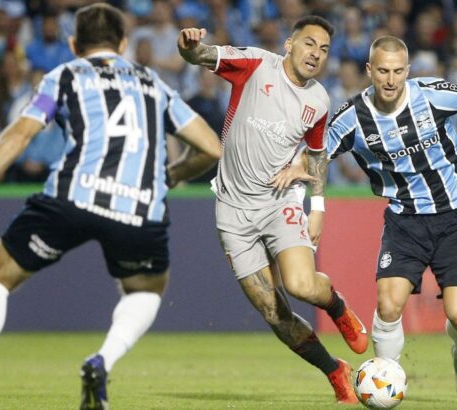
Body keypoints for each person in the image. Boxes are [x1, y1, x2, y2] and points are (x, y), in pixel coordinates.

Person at [0, 4, 221, 410]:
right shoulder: (155, 84)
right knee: (147, 290)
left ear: (74, 44)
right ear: (124, 44)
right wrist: (170, 175)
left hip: (72, 198)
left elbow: (19, 135)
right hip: (138, 209)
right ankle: (102, 359)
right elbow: (210, 148)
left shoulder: (64, 75)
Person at [279, 35, 457, 404]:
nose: (390, 79)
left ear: (408, 71)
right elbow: (317, 155)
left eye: (398, 71)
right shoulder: (352, 119)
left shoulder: (432, 94)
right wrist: (291, 170)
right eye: (382, 71)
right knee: (388, 304)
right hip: (405, 222)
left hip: (455, 217)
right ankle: (386, 379)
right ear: (369, 70)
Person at [177, 16, 368, 404]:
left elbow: (317, 156)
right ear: (289, 44)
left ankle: (336, 305)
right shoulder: (254, 64)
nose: (316, 53)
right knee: (274, 312)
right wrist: (188, 44)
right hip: (232, 212)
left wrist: (318, 208)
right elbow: (200, 55)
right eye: (309, 44)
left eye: (324, 49)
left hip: (279, 203)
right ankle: (334, 370)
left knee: (301, 286)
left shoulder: (318, 100)